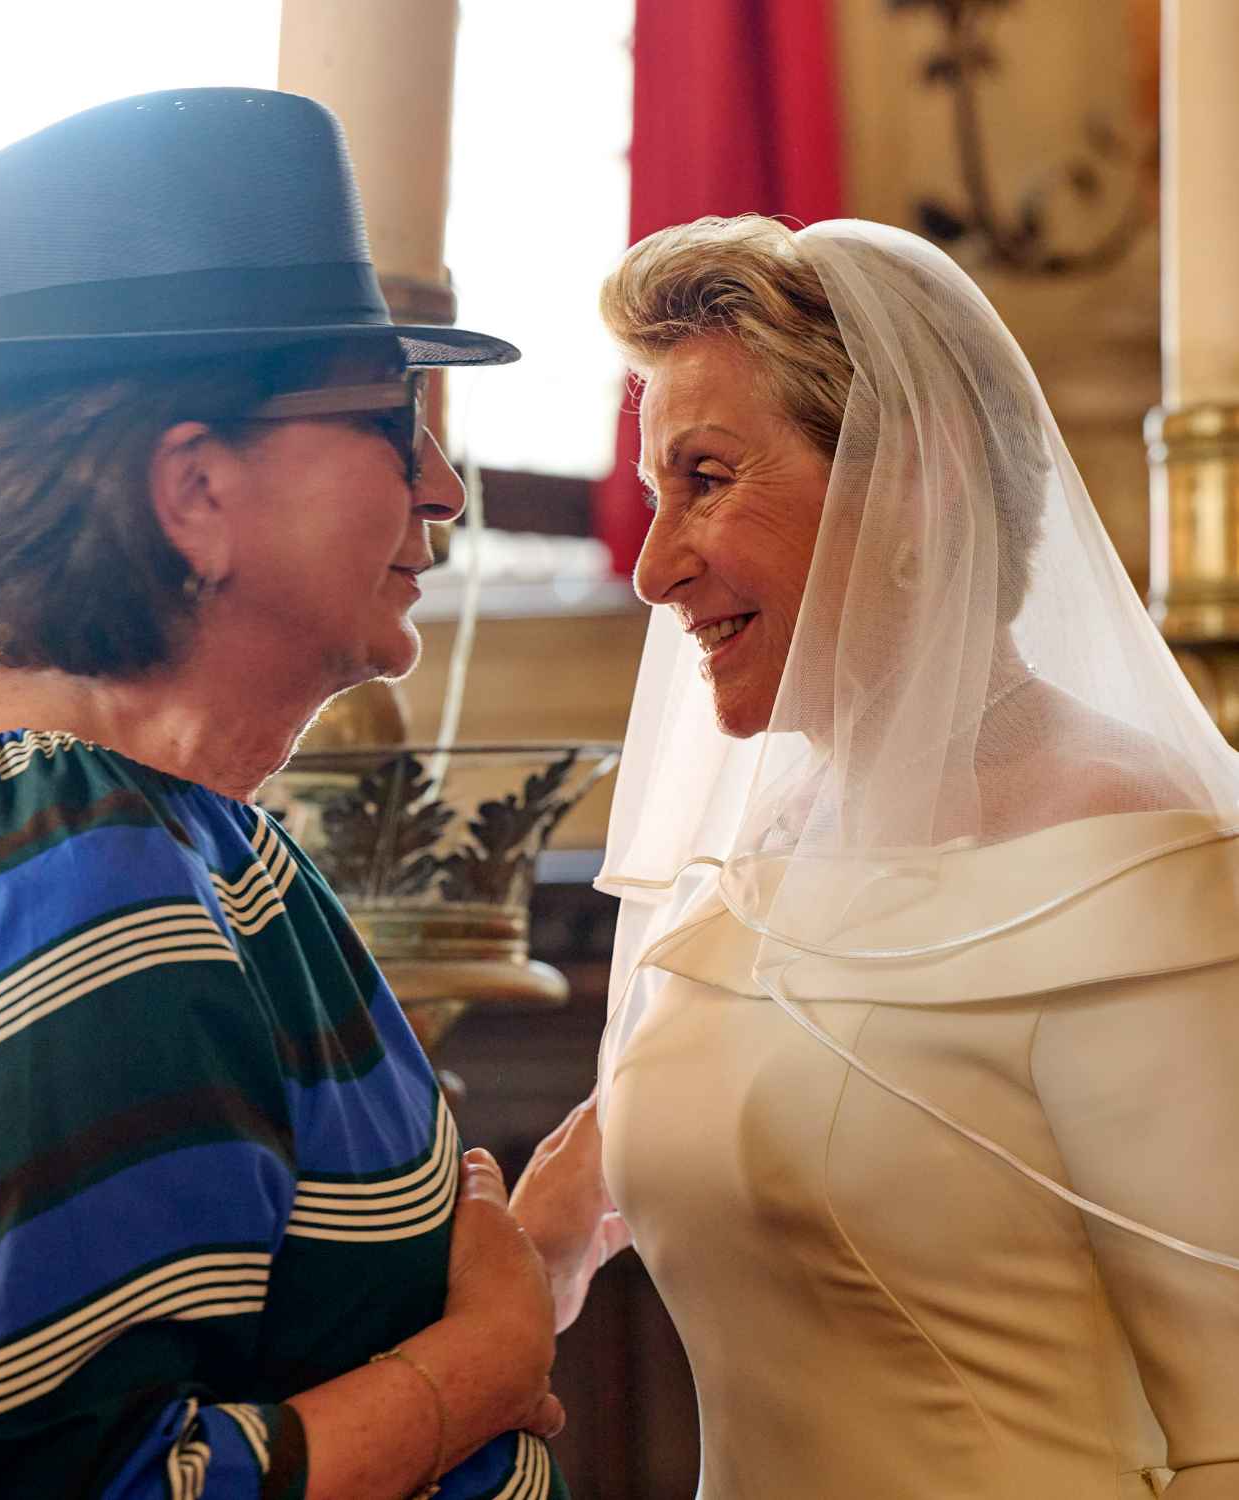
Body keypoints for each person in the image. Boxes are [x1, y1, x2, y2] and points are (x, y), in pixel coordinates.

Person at [0, 89, 569, 1500]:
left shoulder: (116, 828)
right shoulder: (71, 872)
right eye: (389, 419)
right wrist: (482, 1363)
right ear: (195, 493)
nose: (441, 487)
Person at [511, 215, 1239, 1498]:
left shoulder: (1130, 850)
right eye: (655, 494)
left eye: (706, 479)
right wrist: (559, 1223)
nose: (653, 570)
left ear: (916, 482)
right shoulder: (764, 849)